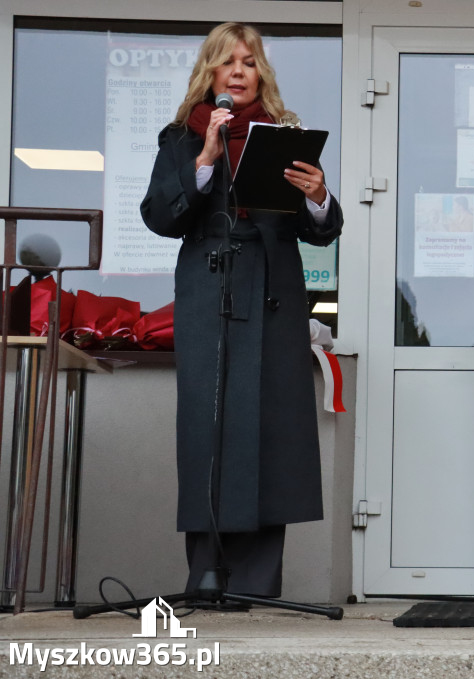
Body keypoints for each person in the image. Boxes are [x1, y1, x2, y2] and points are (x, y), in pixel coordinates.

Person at [140, 22, 342, 597]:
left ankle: (254, 582)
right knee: (210, 430)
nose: (238, 72)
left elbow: (322, 230)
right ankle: (207, 578)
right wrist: (205, 161)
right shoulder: (180, 137)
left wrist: (318, 197)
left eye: (249, 63)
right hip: (210, 291)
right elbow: (159, 217)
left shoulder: (284, 136)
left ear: (261, 74)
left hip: (274, 294)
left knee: (270, 431)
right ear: (209, 72)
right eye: (227, 61)